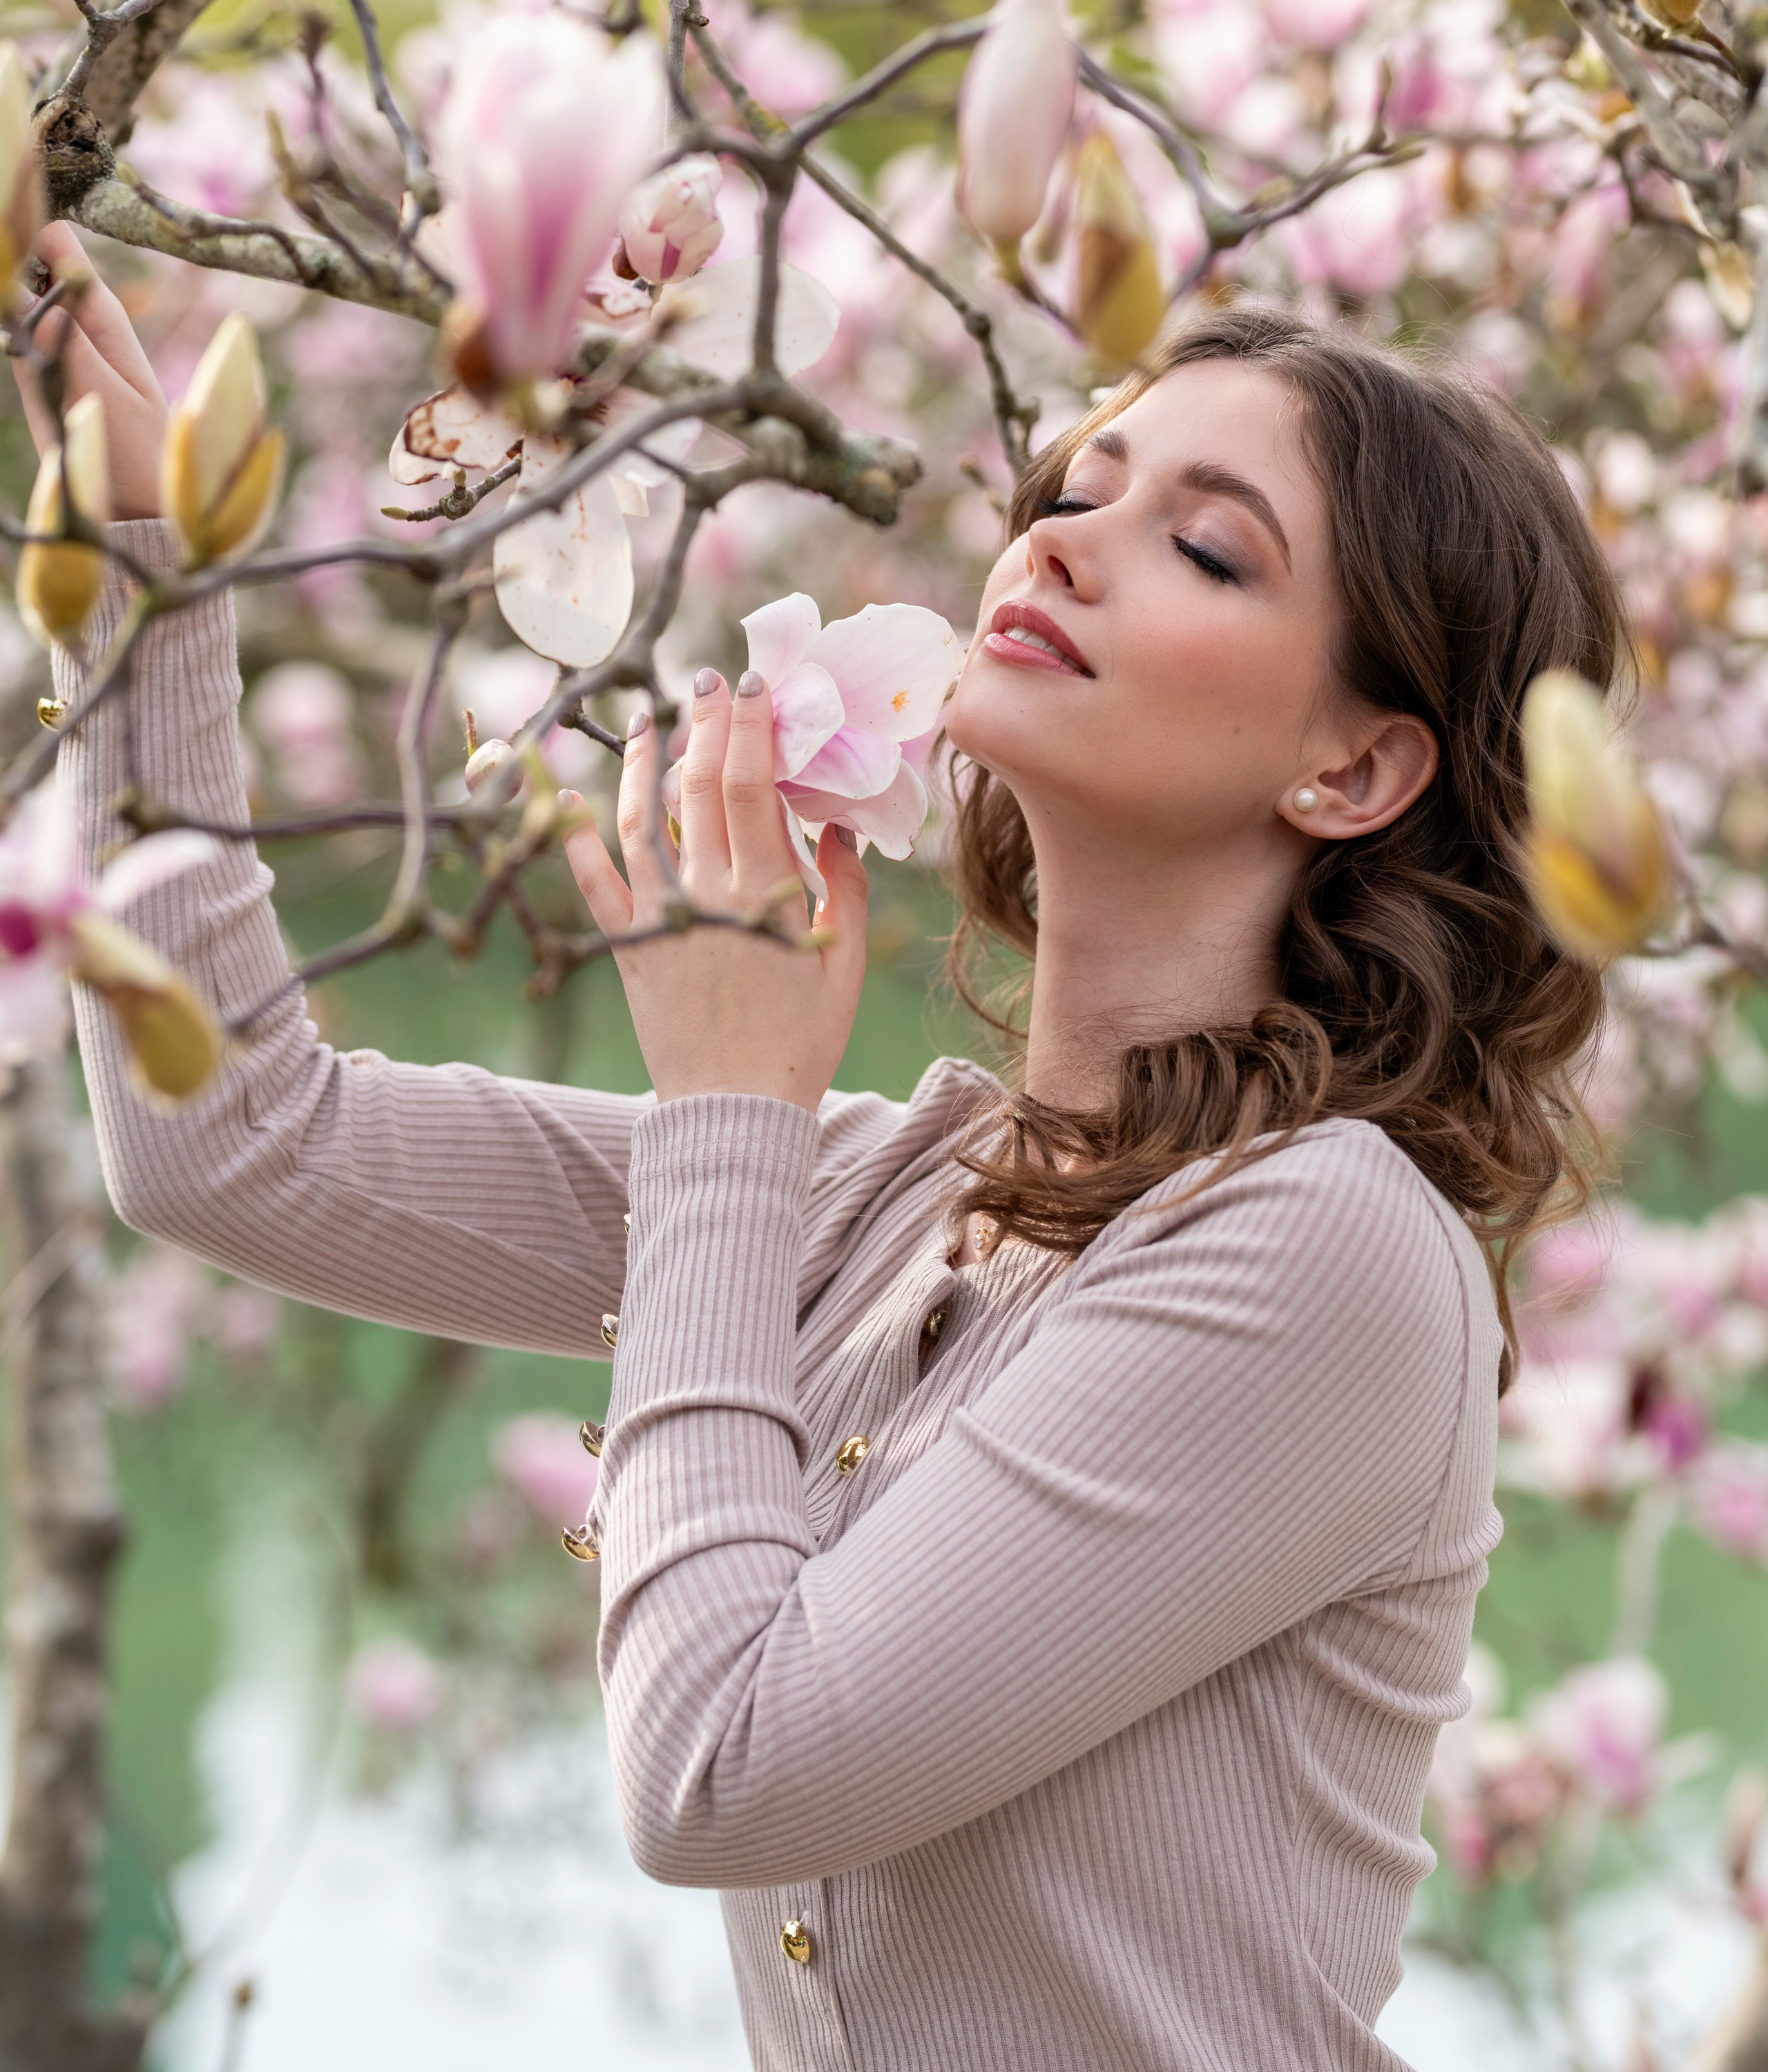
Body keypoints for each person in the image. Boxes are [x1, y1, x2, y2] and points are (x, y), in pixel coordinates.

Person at [21, 221, 1626, 2072]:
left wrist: (726, 1110)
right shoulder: (900, 1196)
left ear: (1353, 771)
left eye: (1203, 542)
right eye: (1074, 485)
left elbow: (727, 1768)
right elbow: (227, 1142)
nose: (1060, 537)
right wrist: (144, 575)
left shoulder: (1328, 1249)